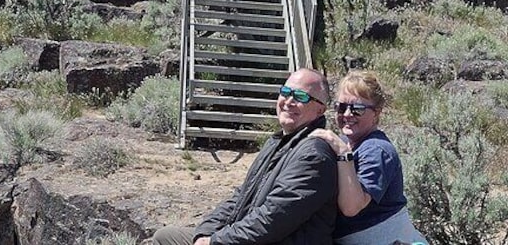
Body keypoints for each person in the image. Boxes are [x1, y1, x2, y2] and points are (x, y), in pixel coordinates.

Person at [151, 68, 338, 245]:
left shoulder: (314, 155)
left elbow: (273, 220)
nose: (288, 101)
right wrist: (206, 232)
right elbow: (243, 195)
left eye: (300, 96)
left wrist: (216, 241)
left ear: (320, 110)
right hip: (250, 238)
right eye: (286, 91)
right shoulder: (280, 142)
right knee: (166, 237)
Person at [310, 71, 427, 245]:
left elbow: (352, 207)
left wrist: (343, 155)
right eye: (341, 107)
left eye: (358, 109)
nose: (348, 114)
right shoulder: (345, 142)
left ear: (376, 113)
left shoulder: (377, 150)